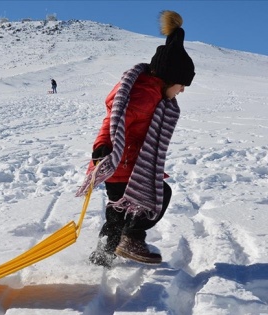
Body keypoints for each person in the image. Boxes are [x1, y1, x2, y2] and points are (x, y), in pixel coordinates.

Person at [75, 10, 195, 267]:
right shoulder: (144, 96)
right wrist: (102, 148)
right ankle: (131, 238)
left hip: (124, 163)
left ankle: (103, 255)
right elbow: (113, 121)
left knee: (118, 211)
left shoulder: (152, 93)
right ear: (169, 77)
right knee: (157, 195)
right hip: (121, 162)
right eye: (182, 84)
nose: (183, 90)